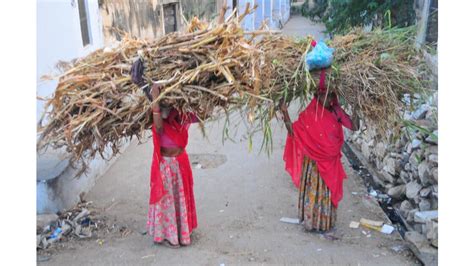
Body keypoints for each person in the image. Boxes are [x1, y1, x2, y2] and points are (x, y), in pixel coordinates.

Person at [280, 68, 359, 234]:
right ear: (317, 96)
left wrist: (357, 106)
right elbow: (294, 132)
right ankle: (311, 221)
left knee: (327, 192)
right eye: (325, 95)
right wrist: (284, 112)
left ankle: (324, 222)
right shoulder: (310, 113)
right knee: (314, 190)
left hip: (331, 161)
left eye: (331, 95)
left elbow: (354, 126)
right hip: (314, 164)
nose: (329, 99)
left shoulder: (337, 111)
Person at [131, 60, 198, 248]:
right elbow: (159, 128)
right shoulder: (158, 114)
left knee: (180, 198)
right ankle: (170, 235)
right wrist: (155, 100)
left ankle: (183, 232)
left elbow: (201, 114)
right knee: (168, 201)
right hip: (167, 165)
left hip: (180, 163)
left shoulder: (182, 113)